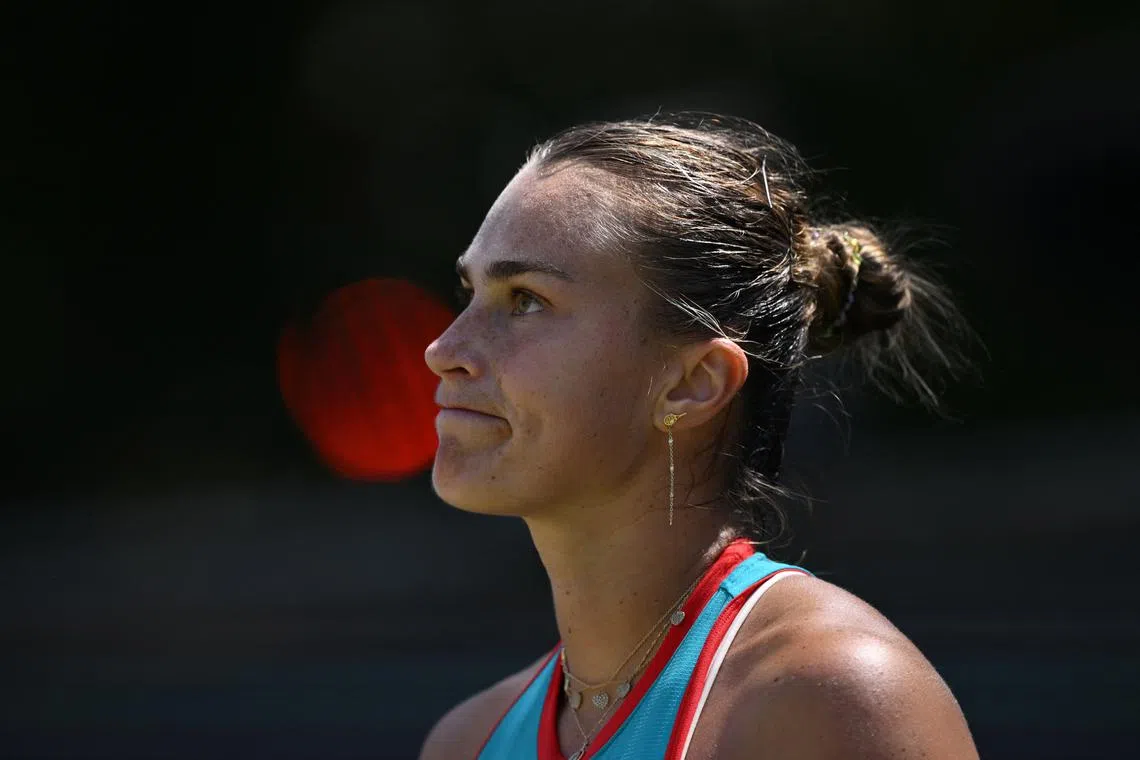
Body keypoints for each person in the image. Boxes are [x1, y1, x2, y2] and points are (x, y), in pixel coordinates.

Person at [420, 113, 979, 759]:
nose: (444, 348)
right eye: (469, 293)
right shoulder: (466, 741)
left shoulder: (830, 699)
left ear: (693, 382)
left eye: (525, 300)